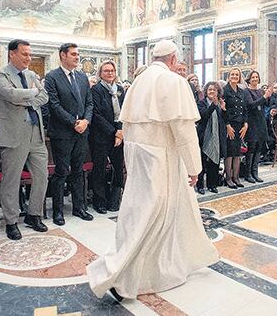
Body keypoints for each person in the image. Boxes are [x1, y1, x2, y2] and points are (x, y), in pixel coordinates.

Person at [86, 39, 218, 301]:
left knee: (140, 212)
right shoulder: (173, 81)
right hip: (162, 158)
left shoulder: (140, 81)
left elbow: (129, 124)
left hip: (138, 156)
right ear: (172, 59)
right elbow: (183, 129)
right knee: (154, 214)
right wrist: (194, 166)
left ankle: (154, 266)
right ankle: (120, 274)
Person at [0, 39, 49, 240]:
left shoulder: (31, 74)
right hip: (12, 133)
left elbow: (45, 97)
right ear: (12, 54)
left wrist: (27, 97)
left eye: (30, 54)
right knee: (11, 180)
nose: (28, 58)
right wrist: (32, 93)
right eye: (24, 54)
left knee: (41, 176)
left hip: (35, 132)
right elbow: (10, 94)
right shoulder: (0, 74)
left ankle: (34, 215)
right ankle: (11, 221)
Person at [44, 43, 94, 226]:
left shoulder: (82, 77)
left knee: (78, 170)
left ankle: (79, 207)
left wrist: (85, 121)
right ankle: (58, 211)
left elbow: (89, 103)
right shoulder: (52, 77)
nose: (77, 57)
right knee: (61, 171)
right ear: (62, 55)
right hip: (62, 132)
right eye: (73, 54)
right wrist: (73, 123)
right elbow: (54, 105)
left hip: (82, 131)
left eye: (78, 54)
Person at [89, 60, 125, 213]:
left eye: (112, 70)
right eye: (106, 71)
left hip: (118, 135)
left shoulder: (121, 89)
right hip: (101, 136)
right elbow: (96, 115)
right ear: (100, 73)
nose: (110, 73)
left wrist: (120, 132)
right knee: (100, 169)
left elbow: (124, 112)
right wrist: (113, 131)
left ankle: (114, 200)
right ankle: (100, 201)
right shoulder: (96, 90)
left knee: (118, 168)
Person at [197, 81, 227, 194]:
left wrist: (223, 110)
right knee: (201, 162)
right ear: (206, 91)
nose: (212, 92)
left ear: (218, 92)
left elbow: (224, 121)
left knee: (214, 162)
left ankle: (212, 185)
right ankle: (200, 186)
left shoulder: (220, 104)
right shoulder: (201, 103)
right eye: (210, 90)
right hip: (203, 137)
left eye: (214, 90)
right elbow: (203, 116)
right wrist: (213, 105)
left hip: (216, 137)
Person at [243, 70, 272, 183]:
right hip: (252, 123)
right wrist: (265, 96)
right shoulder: (246, 91)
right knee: (252, 148)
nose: (255, 79)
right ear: (249, 79)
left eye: (257, 77)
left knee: (259, 147)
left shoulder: (260, 91)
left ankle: (255, 172)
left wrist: (269, 97)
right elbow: (251, 105)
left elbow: (265, 105)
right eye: (253, 77)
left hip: (261, 122)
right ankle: (248, 173)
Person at [221, 67, 248, 189]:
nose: (234, 76)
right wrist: (227, 125)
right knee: (230, 153)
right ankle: (228, 178)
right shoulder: (224, 91)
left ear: (239, 77)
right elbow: (223, 110)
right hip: (229, 125)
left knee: (237, 152)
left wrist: (246, 124)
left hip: (240, 125)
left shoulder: (242, 91)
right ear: (229, 76)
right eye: (232, 74)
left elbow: (245, 109)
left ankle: (236, 178)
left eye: (237, 75)